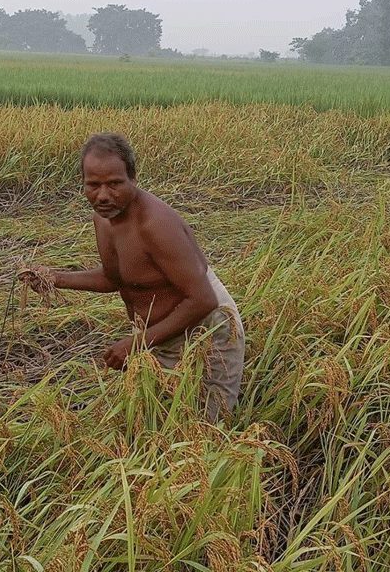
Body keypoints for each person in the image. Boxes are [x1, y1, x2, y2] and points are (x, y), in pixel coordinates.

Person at [21, 132, 245, 422]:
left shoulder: (155, 225)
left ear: (133, 178)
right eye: (93, 185)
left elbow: (202, 299)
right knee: (157, 418)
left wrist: (136, 344)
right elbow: (117, 279)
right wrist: (55, 278)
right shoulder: (104, 218)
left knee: (204, 425)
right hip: (161, 334)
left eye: (114, 184)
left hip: (206, 330)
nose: (102, 195)